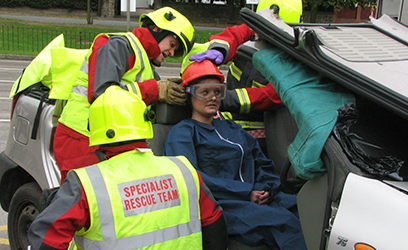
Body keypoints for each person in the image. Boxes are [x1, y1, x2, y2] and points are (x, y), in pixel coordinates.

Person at [28, 86, 228, 250]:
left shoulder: (87, 185)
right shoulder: (183, 171)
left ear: (95, 132)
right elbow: (214, 224)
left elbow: (46, 238)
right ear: (145, 123)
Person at [163, 60, 307, 249]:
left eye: (217, 92)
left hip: (259, 197)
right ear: (189, 95)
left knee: (307, 210)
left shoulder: (231, 128)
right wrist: (246, 193)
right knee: (286, 225)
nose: (212, 98)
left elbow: (260, 161)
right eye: (204, 92)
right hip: (224, 204)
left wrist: (266, 188)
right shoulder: (182, 133)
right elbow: (191, 177)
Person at [54, 6, 196, 182]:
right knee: (84, 202)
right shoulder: (119, 45)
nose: (171, 53)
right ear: (158, 30)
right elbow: (102, 94)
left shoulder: (146, 64)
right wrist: (155, 90)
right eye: (172, 45)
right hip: (82, 137)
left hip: (108, 141)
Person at [185, 0, 302, 153]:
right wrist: (219, 50)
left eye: (275, 32)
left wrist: (224, 98)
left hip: (260, 136)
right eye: (262, 29)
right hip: (224, 123)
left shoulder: (295, 59)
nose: (263, 36)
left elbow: (272, 95)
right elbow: (233, 35)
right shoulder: (253, 31)